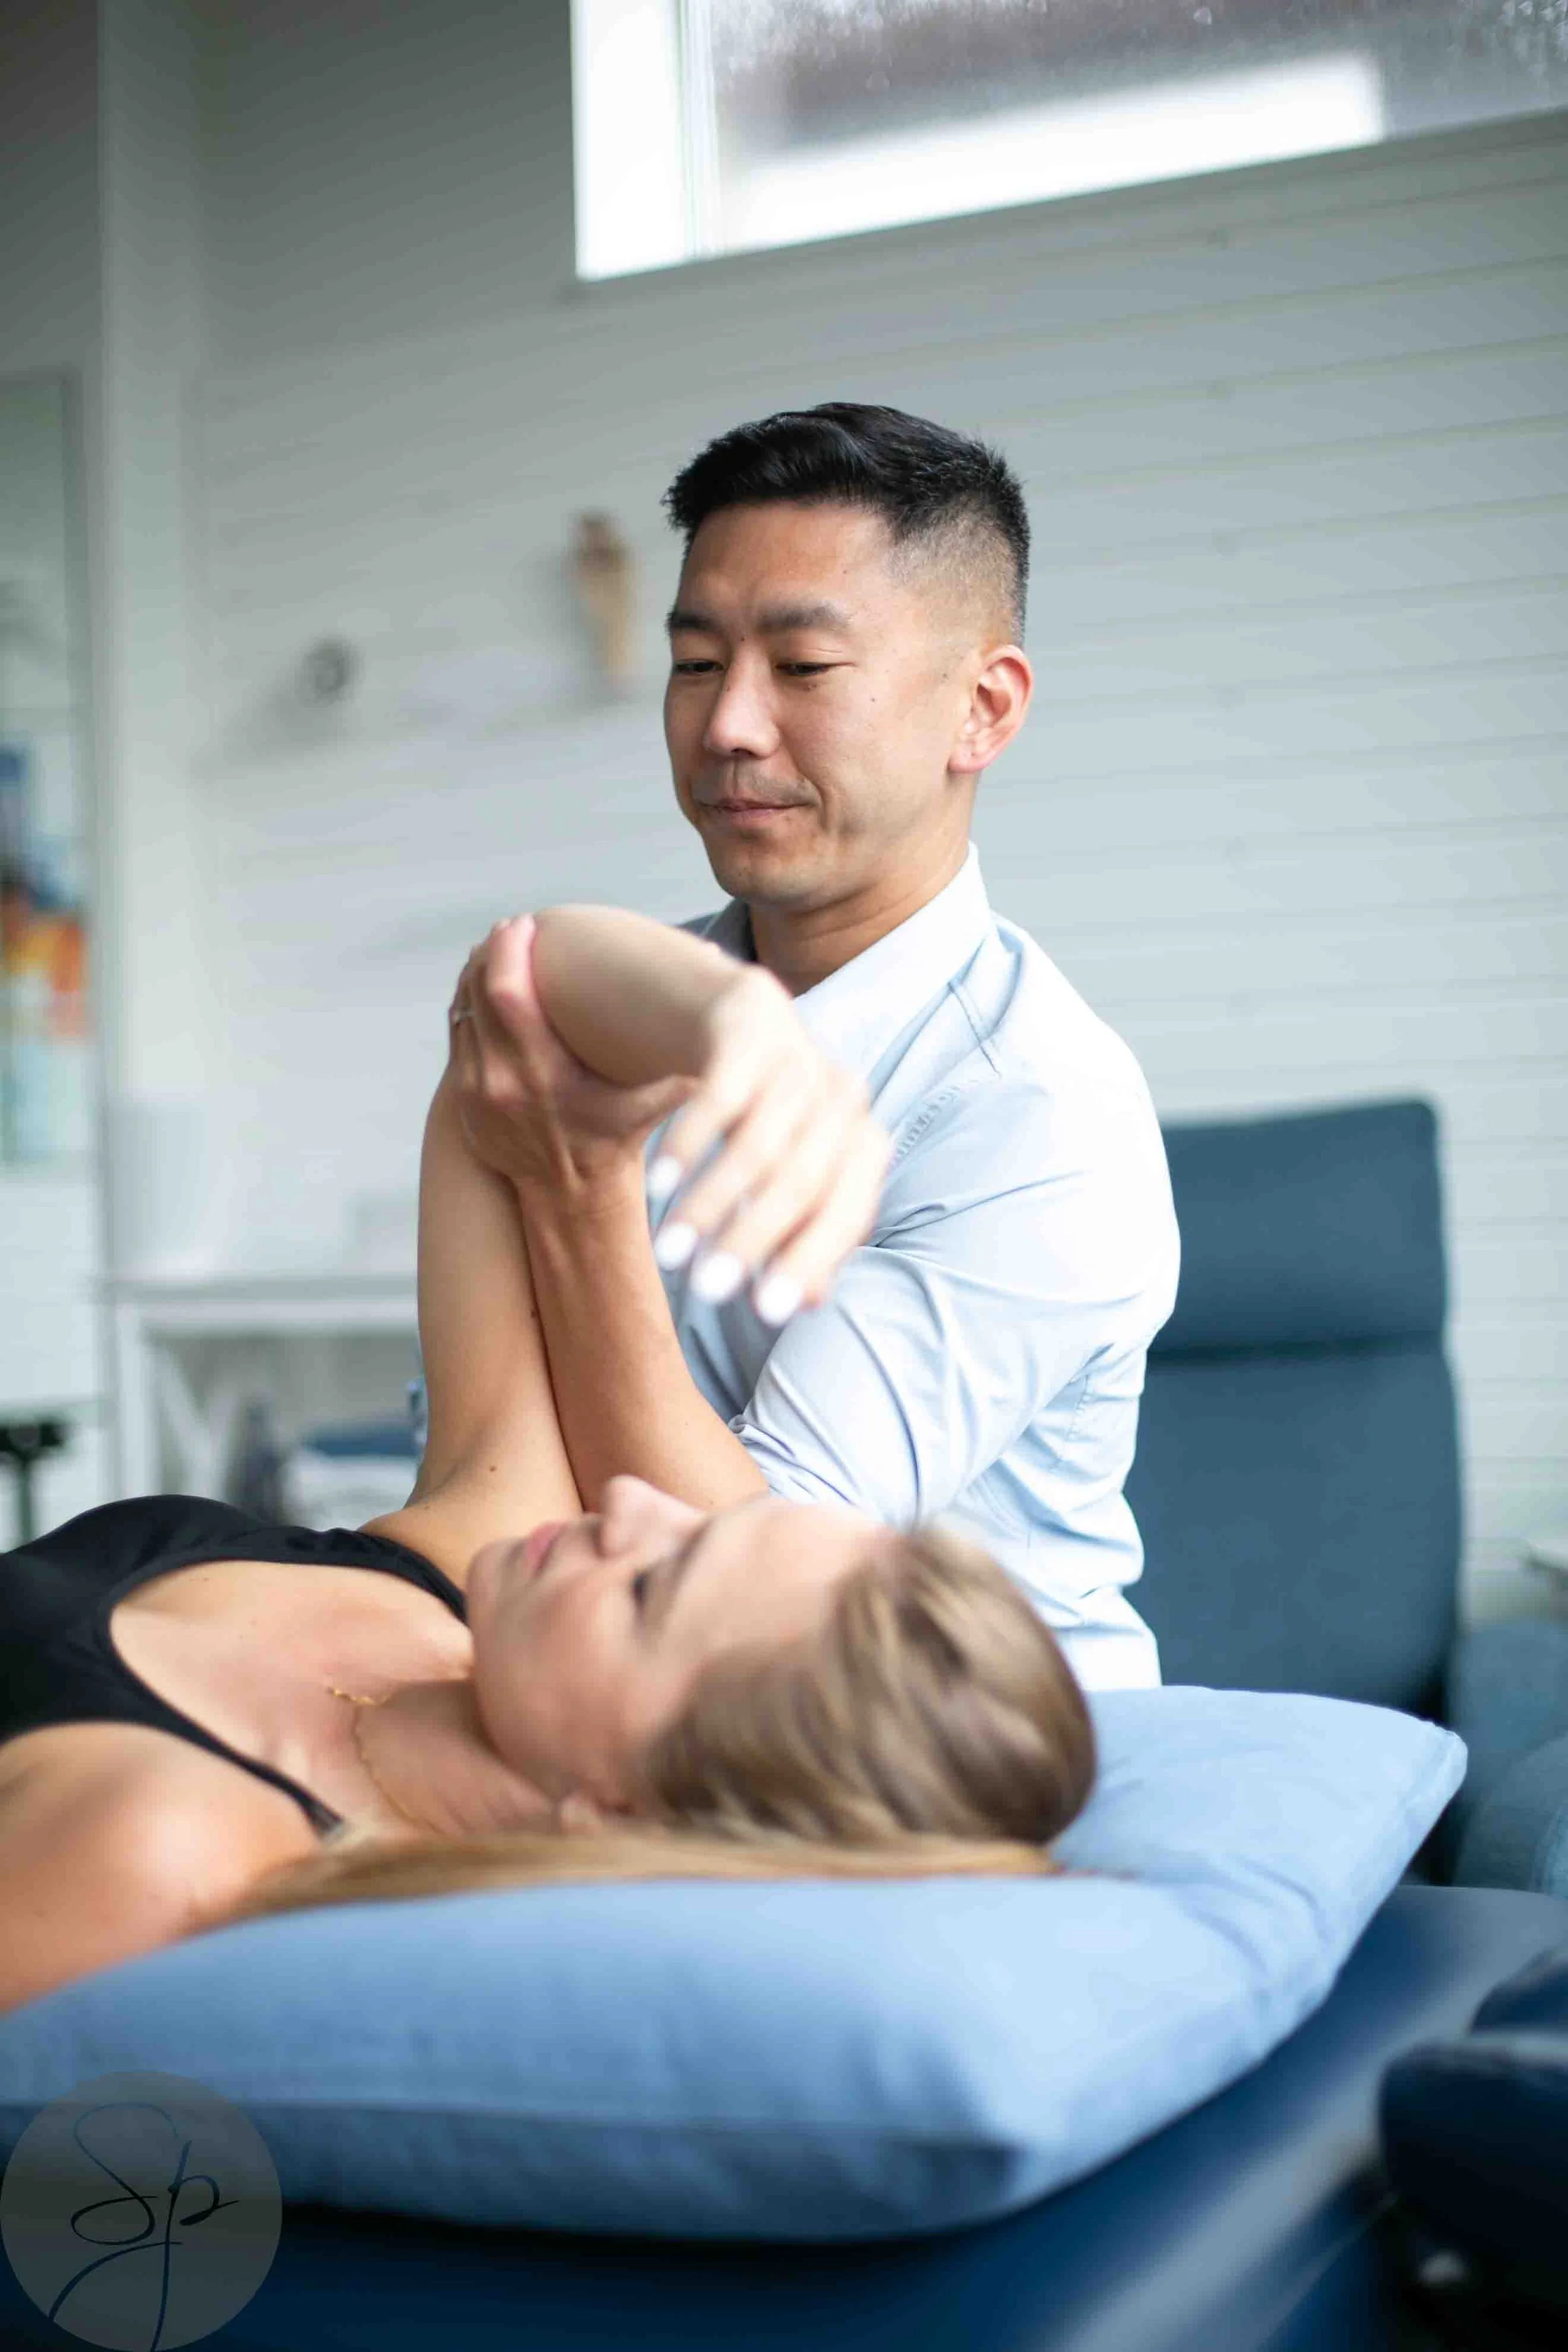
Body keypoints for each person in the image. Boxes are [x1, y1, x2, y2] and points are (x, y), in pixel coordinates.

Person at [0, 907, 1094, 2016]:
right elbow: (513, 1007)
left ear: (618, 1813)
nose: (630, 1502)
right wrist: (740, 1023)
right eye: (707, 1527)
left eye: (654, 1591)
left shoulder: (176, 1860)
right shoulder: (474, 1581)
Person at [433, 402, 1180, 1691]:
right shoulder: (654, 1000)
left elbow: (744, 1592)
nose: (728, 724)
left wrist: (579, 1191)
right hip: (604, 1698)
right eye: (695, 663)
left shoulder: (1044, 1113)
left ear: (982, 709)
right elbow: (519, 975)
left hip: (937, 1744)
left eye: (804, 666)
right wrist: (731, 1026)